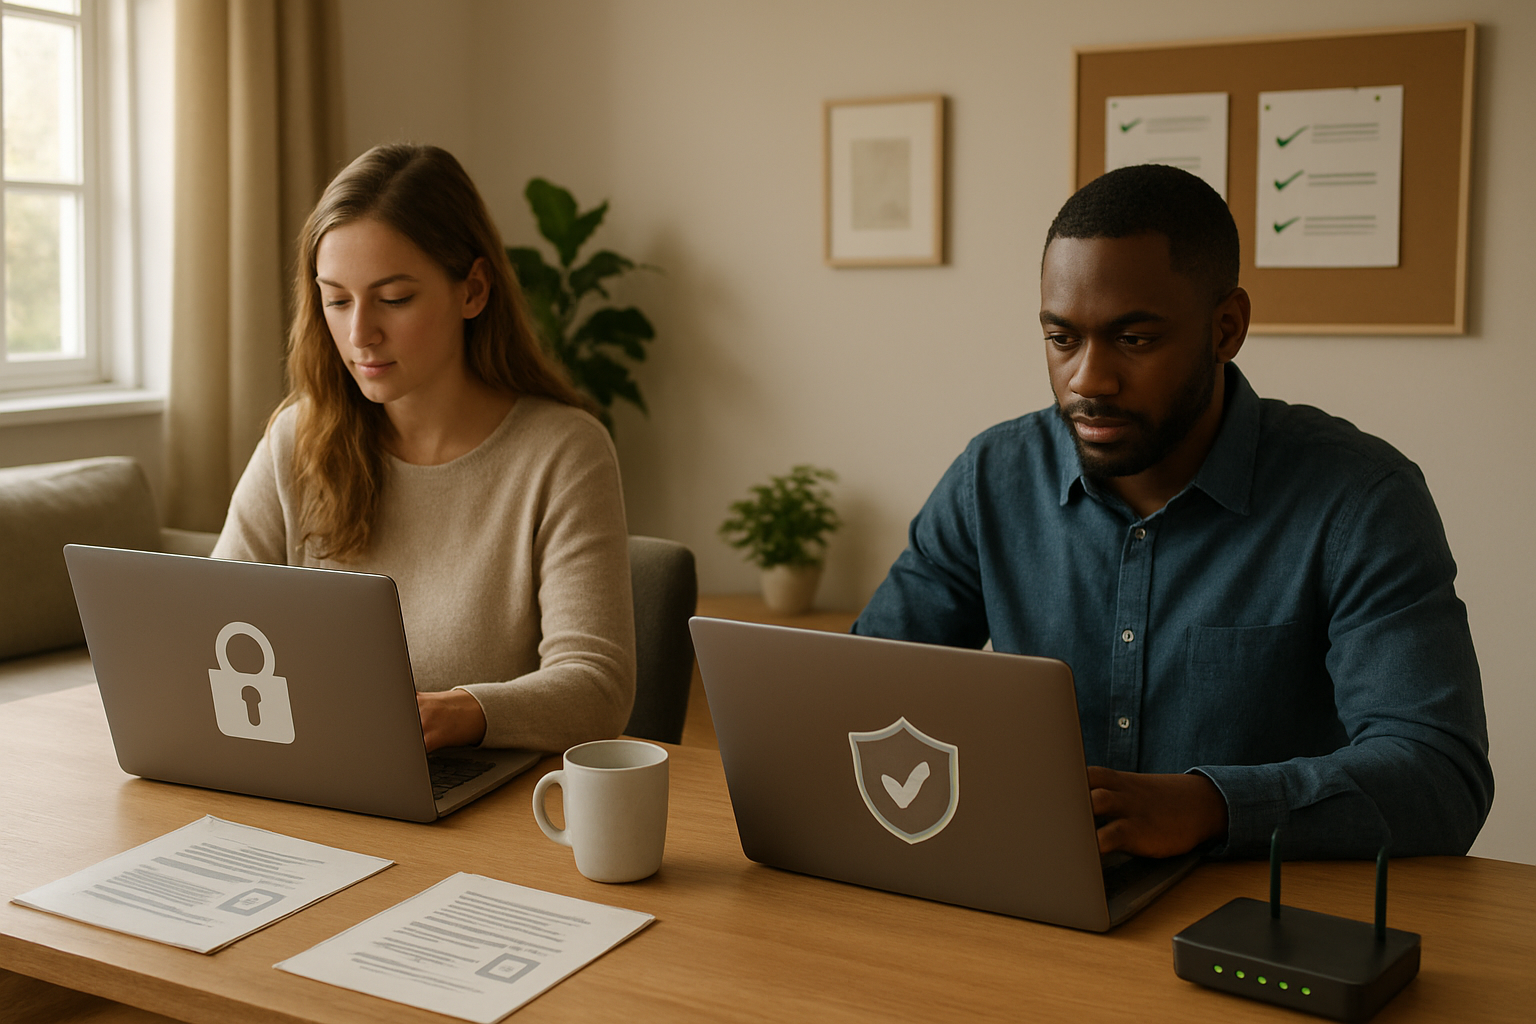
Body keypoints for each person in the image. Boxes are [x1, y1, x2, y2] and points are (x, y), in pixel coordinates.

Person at [853, 164, 1493, 861]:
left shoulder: (1360, 500)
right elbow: (860, 693)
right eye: (1062, 339)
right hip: (1036, 900)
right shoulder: (992, 478)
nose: (1088, 380)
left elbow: (1439, 775)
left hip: (1261, 920)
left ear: (1227, 328)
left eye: (1134, 340)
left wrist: (1210, 806)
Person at [214, 144, 636, 754]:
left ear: (473, 291)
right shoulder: (298, 438)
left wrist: (457, 714)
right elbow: (210, 627)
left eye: (394, 299)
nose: (360, 334)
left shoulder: (563, 453)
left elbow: (597, 688)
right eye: (337, 300)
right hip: (313, 776)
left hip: (482, 808)